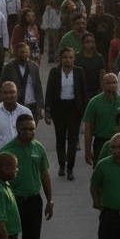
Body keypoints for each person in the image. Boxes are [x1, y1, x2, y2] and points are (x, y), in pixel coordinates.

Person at [0, 115, 53, 239]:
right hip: (14, 202)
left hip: (34, 201)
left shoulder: (39, 148)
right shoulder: (7, 151)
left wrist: (49, 200)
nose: (29, 133)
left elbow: (44, 174)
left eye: (32, 129)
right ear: (17, 129)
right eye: (25, 129)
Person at [45, 45, 87, 180]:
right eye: (65, 57)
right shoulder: (55, 72)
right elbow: (49, 93)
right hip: (59, 108)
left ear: (74, 59)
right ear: (61, 59)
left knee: (73, 140)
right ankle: (62, 165)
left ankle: (70, 168)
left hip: (74, 109)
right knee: (60, 138)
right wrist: (48, 111)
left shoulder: (79, 72)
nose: (67, 60)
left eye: (70, 57)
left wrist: (85, 112)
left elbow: (83, 93)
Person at [0, 81, 32, 174]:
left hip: (21, 160)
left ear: (17, 93)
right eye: (6, 93)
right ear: (1, 95)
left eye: (12, 92)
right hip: (0, 162)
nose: (9, 96)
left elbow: (31, 135)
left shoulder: (25, 112)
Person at [83, 73, 120, 166]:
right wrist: (87, 150)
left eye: (114, 83)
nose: (112, 85)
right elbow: (88, 127)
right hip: (101, 143)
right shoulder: (94, 103)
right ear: (103, 85)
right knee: (101, 171)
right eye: (108, 83)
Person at [0, 42, 43, 119]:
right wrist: (2, 105)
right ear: (15, 53)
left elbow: (38, 86)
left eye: (26, 52)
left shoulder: (34, 66)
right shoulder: (8, 68)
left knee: (31, 129)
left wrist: (41, 106)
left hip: (32, 103)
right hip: (15, 104)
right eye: (22, 52)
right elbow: (1, 86)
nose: (24, 54)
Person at [77, 32, 106, 98]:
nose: (90, 44)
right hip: (81, 93)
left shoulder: (99, 57)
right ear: (83, 43)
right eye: (87, 42)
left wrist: (103, 92)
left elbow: (102, 76)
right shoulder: (77, 58)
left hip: (96, 92)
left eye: (92, 42)